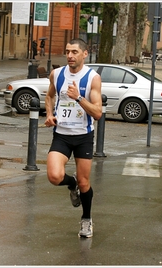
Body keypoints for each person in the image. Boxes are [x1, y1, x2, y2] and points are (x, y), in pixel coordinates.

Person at [44, 38, 102, 238]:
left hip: (83, 136)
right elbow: (49, 96)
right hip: (62, 134)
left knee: (85, 182)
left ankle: (86, 219)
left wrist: (78, 97)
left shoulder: (92, 78)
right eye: (68, 51)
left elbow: (97, 113)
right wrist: (49, 114)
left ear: (85, 54)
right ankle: (71, 183)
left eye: (74, 52)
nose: (69, 55)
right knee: (54, 176)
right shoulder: (57, 74)